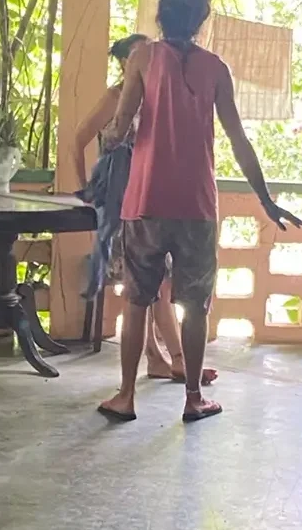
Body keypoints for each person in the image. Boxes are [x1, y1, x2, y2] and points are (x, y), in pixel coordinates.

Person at [96, 0, 302, 425]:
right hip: (197, 206)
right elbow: (238, 140)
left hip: (145, 201)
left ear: (160, 20)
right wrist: (265, 199)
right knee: (195, 305)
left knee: (137, 301)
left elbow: (117, 129)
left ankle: (126, 396)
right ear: (200, 23)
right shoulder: (216, 68)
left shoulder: (142, 58)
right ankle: (193, 398)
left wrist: (113, 137)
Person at [72, 33, 211, 384]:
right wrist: (89, 191)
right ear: (124, 63)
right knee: (142, 288)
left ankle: (167, 357)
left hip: (152, 201)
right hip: (122, 202)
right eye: (139, 56)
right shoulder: (116, 97)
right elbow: (78, 139)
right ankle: (165, 358)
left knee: (158, 284)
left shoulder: (158, 98)